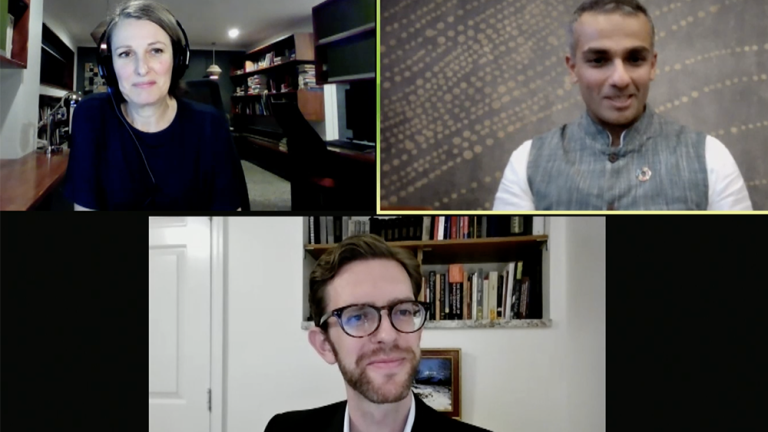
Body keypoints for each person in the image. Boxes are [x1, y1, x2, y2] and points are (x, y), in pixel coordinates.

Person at [493, 0, 752, 211]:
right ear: (572, 68)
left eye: (635, 59)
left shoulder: (711, 158)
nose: (620, 79)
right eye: (598, 60)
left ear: (652, 64)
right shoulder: (527, 161)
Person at [264, 235, 491, 432]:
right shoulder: (283, 430)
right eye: (358, 316)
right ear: (325, 345)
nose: (388, 335)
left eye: (402, 311)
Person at [62, 0, 247, 210]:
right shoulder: (92, 117)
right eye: (125, 53)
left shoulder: (211, 126)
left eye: (156, 50)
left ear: (178, 59)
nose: (142, 68)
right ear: (109, 68)